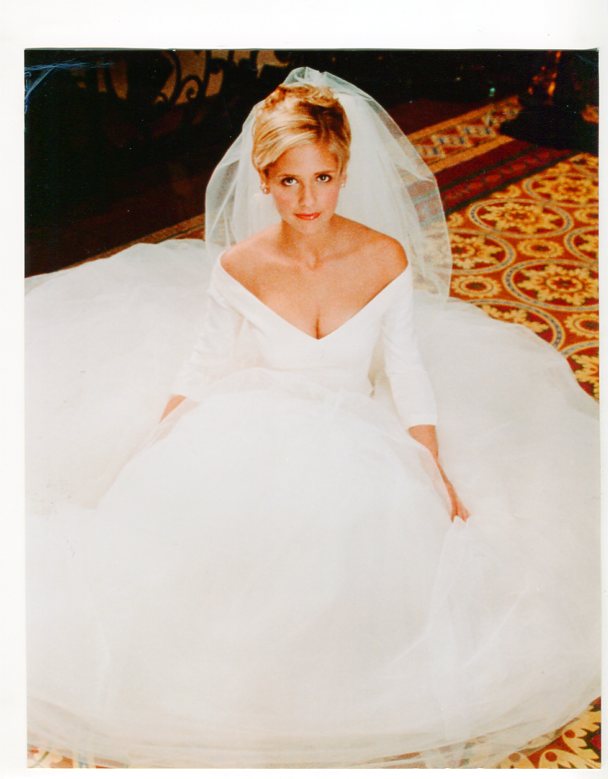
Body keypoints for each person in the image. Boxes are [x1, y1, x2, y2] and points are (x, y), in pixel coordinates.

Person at [25, 68, 599, 769]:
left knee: (373, 545)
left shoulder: (384, 257)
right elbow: (204, 363)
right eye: (290, 181)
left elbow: (406, 370)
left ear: (344, 174)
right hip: (257, 423)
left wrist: (434, 466)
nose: (308, 199)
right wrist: (154, 445)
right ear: (264, 181)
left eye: (323, 178)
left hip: (358, 428)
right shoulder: (240, 264)